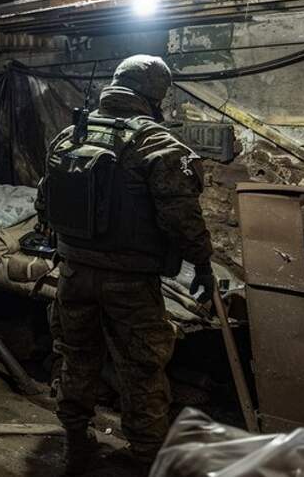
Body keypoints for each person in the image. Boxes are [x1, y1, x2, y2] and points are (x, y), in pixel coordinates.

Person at [34, 55, 216, 474]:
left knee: (75, 355)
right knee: (141, 369)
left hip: (73, 272)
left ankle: (76, 437)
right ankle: (147, 455)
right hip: (130, 283)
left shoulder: (69, 136)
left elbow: (44, 204)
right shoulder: (158, 145)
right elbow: (182, 220)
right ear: (156, 95)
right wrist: (202, 263)